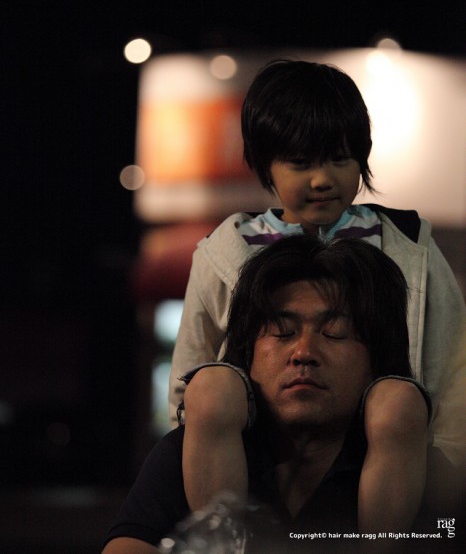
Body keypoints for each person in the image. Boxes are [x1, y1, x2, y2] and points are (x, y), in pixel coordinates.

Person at [169, 60, 466, 533]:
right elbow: (192, 365)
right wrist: (178, 453)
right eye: (301, 162)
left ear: (363, 158)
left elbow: (453, 362)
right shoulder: (227, 247)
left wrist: (450, 463)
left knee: (397, 402)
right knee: (209, 387)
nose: (322, 178)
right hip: (261, 445)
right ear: (265, 164)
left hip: (380, 444)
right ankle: (225, 542)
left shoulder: (409, 244)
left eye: (339, 159)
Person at [102, 235, 431, 553]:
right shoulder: (189, 452)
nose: (303, 353)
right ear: (248, 354)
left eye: (335, 333)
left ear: (378, 358)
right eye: (283, 332)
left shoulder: (418, 468)